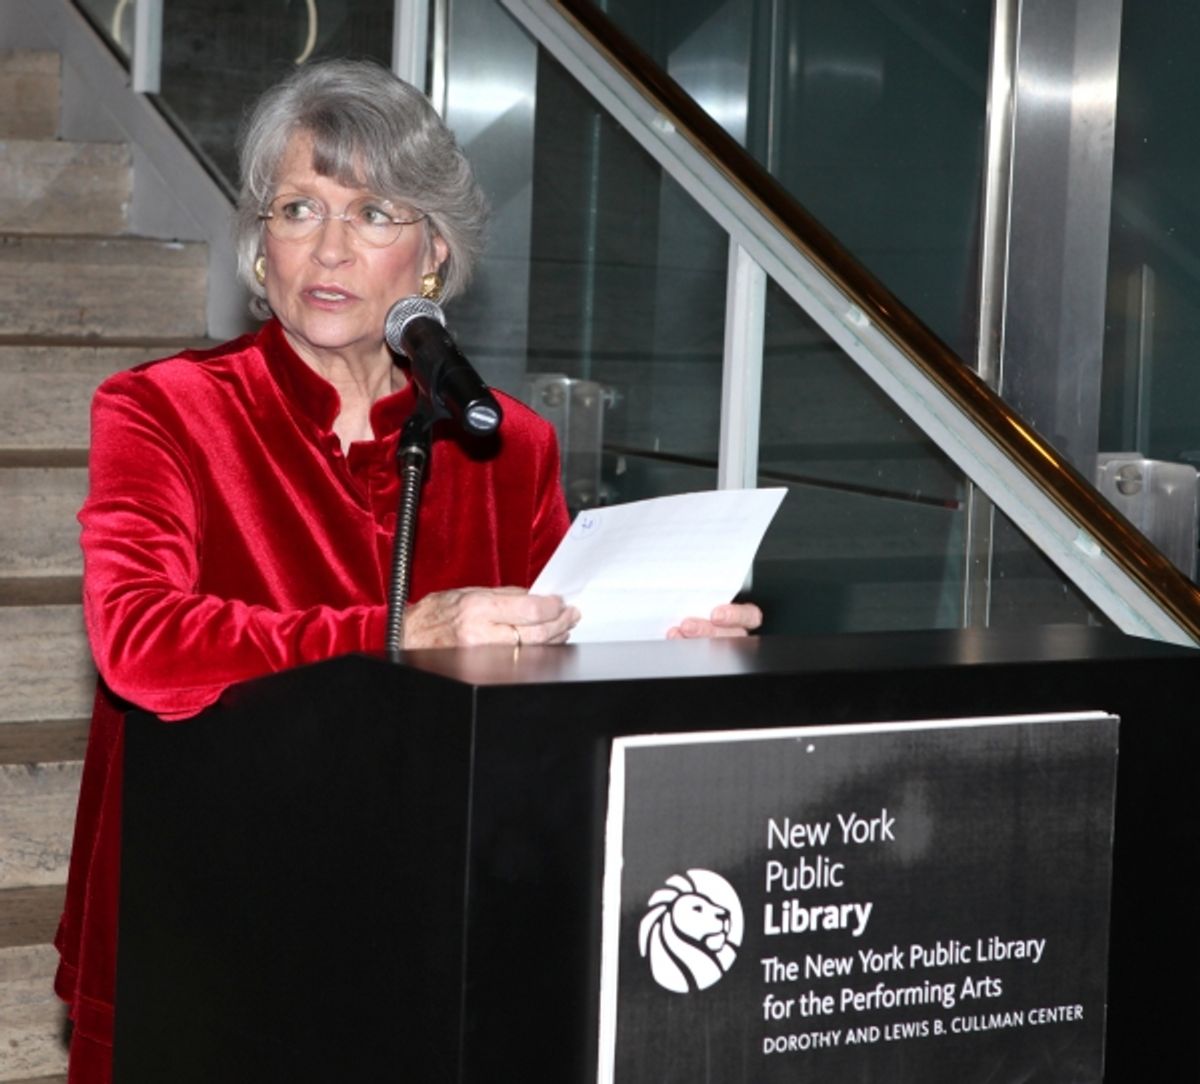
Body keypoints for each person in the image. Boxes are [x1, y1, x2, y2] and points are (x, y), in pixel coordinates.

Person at [53, 58, 761, 1081]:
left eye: (374, 213)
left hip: (426, 918)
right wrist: (402, 630)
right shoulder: (164, 411)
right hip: (208, 917)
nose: (330, 248)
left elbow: (538, 671)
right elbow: (141, 646)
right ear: (263, 243)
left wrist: (655, 639)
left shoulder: (506, 442)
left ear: (430, 250)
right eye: (299, 208)